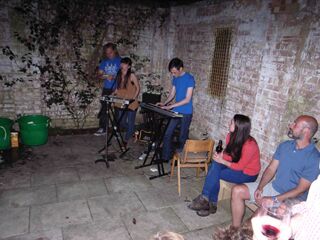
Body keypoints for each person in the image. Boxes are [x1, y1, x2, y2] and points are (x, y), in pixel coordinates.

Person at [231, 115, 320, 227]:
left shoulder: (314, 158)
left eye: (295, 124)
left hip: (292, 199)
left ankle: (244, 232)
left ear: (306, 131)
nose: (291, 125)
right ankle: (234, 230)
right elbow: (271, 169)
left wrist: (273, 199)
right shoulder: (285, 146)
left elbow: (300, 190)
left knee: (253, 222)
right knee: (237, 190)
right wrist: (260, 187)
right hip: (274, 188)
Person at [188, 114, 261, 217]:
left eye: (231, 122)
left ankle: (207, 201)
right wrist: (221, 156)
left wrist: (223, 161)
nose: (228, 123)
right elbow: (230, 155)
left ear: (238, 127)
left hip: (248, 174)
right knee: (214, 166)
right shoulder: (229, 136)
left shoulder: (250, 145)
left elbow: (240, 166)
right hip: (235, 165)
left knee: (215, 172)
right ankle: (209, 203)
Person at [159, 58, 195, 163]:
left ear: (181, 69)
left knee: (182, 137)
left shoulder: (189, 79)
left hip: (186, 112)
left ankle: (179, 160)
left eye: (174, 72)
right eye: (171, 73)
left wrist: (170, 106)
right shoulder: (175, 78)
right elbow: (172, 93)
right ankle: (165, 157)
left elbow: (187, 99)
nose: (173, 75)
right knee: (167, 133)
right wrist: (165, 103)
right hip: (176, 111)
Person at [95, 43, 121, 136]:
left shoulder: (120, 61)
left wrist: (115, 77)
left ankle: (116, 130)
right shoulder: (104, 61)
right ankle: (103, 128)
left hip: (117, 88)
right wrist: (106, 76)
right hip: (107, 88)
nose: (109, 54)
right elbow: (99, 75)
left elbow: (125, 75)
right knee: (104, 108)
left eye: (110, 52)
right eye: (107, 53)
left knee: (117, 109)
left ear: (114, 51)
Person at [113, 57, 140, 145]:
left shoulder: (132, 76)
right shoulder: (119, 74)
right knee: (121, 122)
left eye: (125, 64)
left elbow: (138, 88)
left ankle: (126, 140)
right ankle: (134, 130)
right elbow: (118, 88)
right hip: (121, 101)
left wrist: (133, 98)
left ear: (129, 66)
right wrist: (113, 94)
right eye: (122, 63)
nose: (122, 65)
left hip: (131, 102)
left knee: (130, 121)